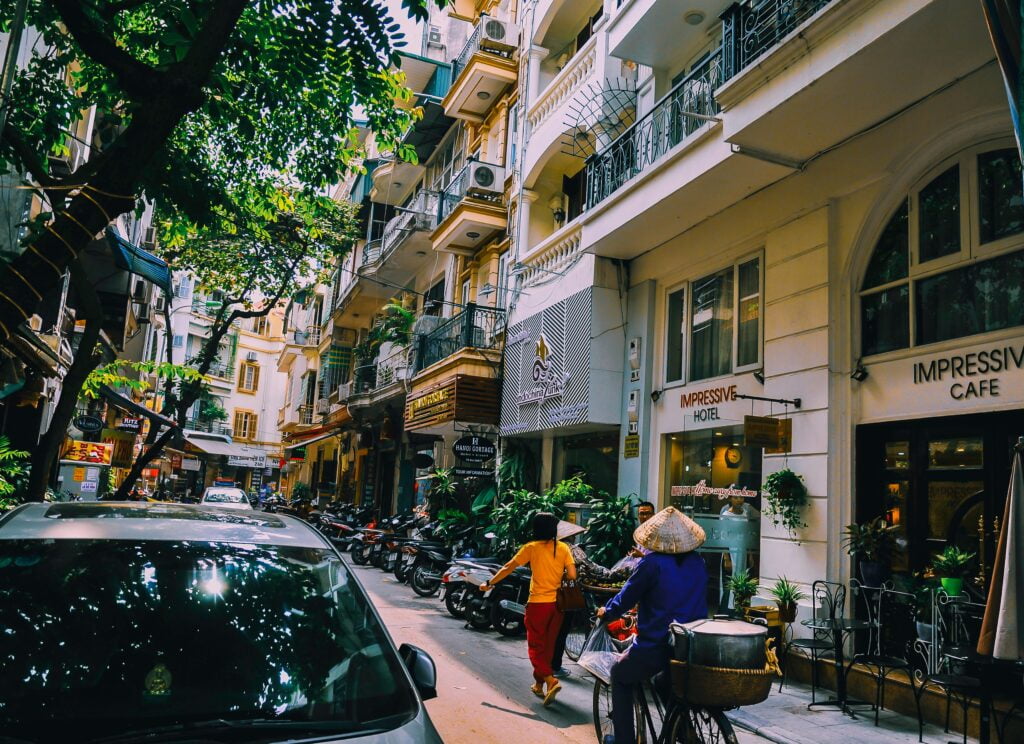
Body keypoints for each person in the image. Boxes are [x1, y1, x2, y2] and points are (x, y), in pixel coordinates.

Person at [596, 506, 708, 744]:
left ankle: (625, 740)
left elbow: (626, 598)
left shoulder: (651, 563)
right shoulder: (698, 562)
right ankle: (683, 728)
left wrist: (608, 611)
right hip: (691, 644)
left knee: (620, 673)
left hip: (656, 643)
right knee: (665, 682)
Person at [480, 512, 576, 705]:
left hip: (538, 603)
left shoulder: (531, 548)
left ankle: (550, 679)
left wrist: (489, 582)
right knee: (548, 645)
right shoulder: (564, 547)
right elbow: (572, 575)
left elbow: (508, 567)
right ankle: (539, 685)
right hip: (558, 605)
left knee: (535, 645)